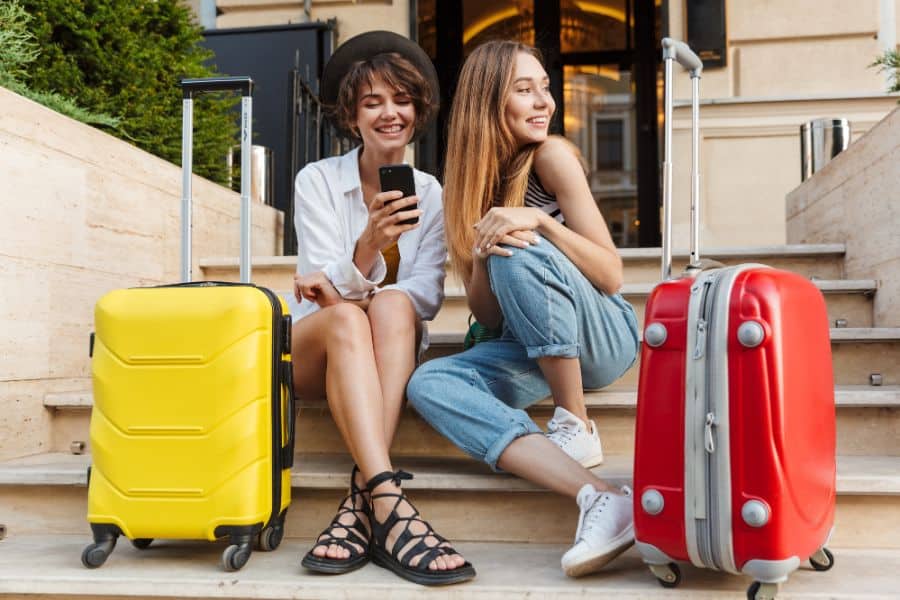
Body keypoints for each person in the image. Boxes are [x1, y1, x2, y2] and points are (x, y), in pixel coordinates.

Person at [406, 39, 640, 577]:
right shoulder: (461, 189)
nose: (545, 101)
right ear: (489, 102)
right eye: (525, 89)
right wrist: (485, 256)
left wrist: (539, 222)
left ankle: (574, 420)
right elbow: (488, 318)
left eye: (546, 88)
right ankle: (599, 497)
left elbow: (610, 274)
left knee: (520, 243)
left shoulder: (551, 156)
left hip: (602, 335)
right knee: (428, 384)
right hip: (526, 344)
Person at [290, 30, 474, 586]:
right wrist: (369, 244)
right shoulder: (317, 180)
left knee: (392, 306)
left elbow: (426, 294)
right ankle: (394, 508)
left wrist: (354, 287)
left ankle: (364, 500)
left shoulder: (433, 193)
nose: (388, 113)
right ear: (352, 117)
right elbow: (323, 299)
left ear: (417, 110)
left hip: (386, 342)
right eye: (372, 102)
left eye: (400, 99)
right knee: (348, 316)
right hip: (316, 353)